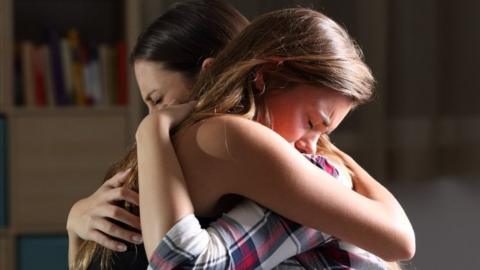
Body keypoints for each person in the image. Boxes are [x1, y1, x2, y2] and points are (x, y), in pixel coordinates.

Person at [135, 7, 415, 270]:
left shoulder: (200, 140)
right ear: (265, 76)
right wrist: (150, 129)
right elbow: (400, 240)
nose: (311, 145)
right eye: (311, 123)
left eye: (323, 134)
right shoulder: (228, 135)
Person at [67, 1, 248, 269]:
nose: (153, 116)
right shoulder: (163, 155)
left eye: (158, 99)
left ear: (210, 75)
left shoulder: (219, 150)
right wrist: (75, 227)